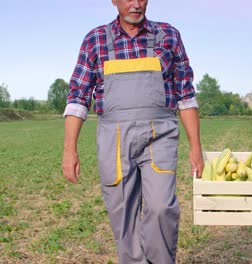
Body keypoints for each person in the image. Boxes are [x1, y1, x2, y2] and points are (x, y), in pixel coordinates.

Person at [61, 0, 203, 263]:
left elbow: (186, 94)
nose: (136, 4)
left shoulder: (168, 35)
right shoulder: (96, 40)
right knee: (122, 213)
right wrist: (70, 149)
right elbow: (78, 97)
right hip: (114, 138)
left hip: (159, 134)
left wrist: (196, 147)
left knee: (162, 207)